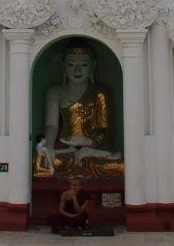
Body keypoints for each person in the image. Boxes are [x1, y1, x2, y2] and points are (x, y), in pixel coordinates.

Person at [38, 44, 122, 177]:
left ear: (93, 66)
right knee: (42, 161)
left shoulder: (100, 93)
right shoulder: (54, 93)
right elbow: (51, 125)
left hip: (92, 148)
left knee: (117, 164)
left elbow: (105, 131)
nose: (77, 70)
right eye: (71, 65)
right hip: (66, 147)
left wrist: (87, 141)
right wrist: (49, 145)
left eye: (83, 65)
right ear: (63, 66)